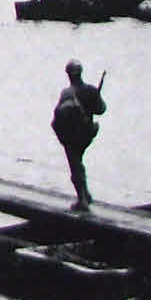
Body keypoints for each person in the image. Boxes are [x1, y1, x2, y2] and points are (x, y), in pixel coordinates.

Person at [51, 59, 106, 212]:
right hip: (88, 134)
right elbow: (101, 109)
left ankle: (82, 199)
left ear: (68, 75)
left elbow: (58, 116)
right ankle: (86, 194)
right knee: (79, 162)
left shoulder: (67, 93)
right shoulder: (91, 90)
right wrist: (95, 98)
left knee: (75, 165)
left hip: (72, 137)